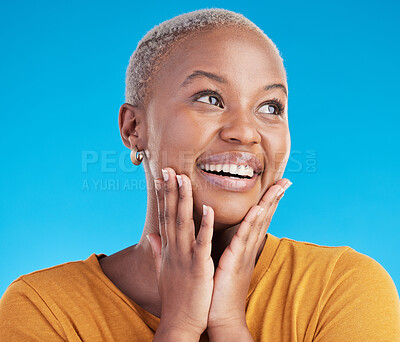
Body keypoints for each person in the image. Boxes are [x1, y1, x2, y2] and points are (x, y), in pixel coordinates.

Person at [1, 8, 399, 342]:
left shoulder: (342, 287)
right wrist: (179, 327)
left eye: (270, 107)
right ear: (133, 128)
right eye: (210, 99)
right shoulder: (43, 309)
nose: (245, 131)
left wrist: (228, 325)